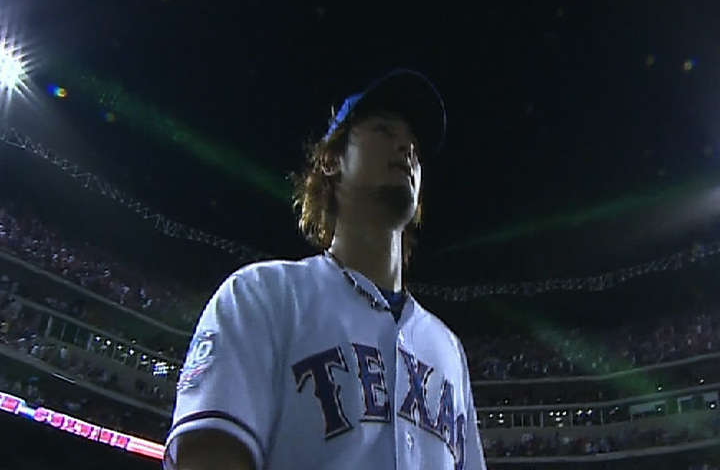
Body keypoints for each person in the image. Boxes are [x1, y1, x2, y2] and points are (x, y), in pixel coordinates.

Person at [163, 68, 487, 470]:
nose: (406, 147)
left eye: (415, 148)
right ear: (332, 160)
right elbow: (209, 455)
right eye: (384, 131)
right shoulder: (261, 296)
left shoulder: (449, 350)